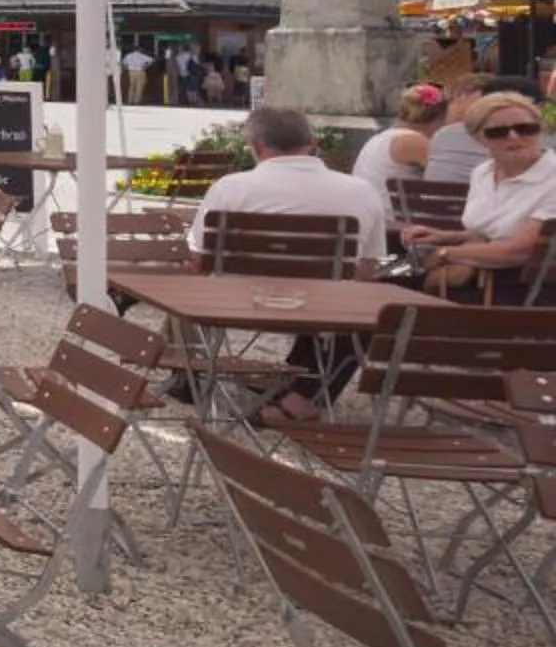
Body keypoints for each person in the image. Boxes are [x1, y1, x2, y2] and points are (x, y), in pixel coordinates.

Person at [190, 105, 389, 421]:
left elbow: (201, 259)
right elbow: (366, 270)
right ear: (312, 143)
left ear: (257, 147)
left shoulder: (230, 187)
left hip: (236, 305)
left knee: (185, 282)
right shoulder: (360, 191)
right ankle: (305, 392)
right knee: (358, 301)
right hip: (326, 311)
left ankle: (186, 378)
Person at [402, 89, 556, 303]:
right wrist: (445, 236)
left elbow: (519, 251)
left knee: (398, 288)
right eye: (498, 132)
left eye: (526, 129)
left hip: (524, 291)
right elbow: (492, 231)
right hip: (481, 279)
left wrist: (445, 253)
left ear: (540, 130)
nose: (514, 137)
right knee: (384, 273)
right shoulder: (483, 173)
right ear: (478, 139)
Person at [351, 84, 448, 201]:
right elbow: (448, 176)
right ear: (439, 118)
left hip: (369, 207)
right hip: (390, 211)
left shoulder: (381, 138)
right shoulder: (413, 141)